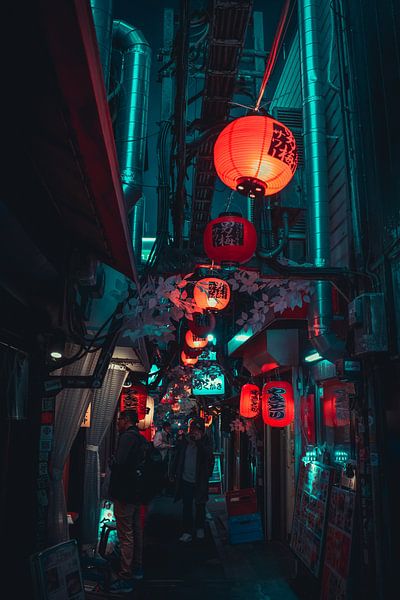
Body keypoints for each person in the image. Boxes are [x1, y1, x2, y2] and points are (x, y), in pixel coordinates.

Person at [108, 409, 148, 593]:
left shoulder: (126, 437)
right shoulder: (140, 438)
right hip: (137, 490)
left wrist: (111, 463)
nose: (117, 423)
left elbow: (120, 462)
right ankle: (137, 567)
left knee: (126, 534)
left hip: (125, 491)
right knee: (135, 530)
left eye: (119, 419)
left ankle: (126, 575)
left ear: (126, 420)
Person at [170, 417, 215, 543]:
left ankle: (200, 528)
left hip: (200, 480)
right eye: (193, 430)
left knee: (200, 505)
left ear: (202, 432)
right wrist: (172, 472)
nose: (195, 433)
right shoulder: (184, 441)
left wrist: (199, 443)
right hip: (186, 479)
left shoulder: (206, 442)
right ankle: (187, 531)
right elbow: (177, 457)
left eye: (198, 430)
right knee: (187, 506)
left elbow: (208, 456)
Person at [153, 421, 174, 494]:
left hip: (167, 457)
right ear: (166, 428)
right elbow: (156, 445)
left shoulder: (169, 435)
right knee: (162, 473)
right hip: (161, 457)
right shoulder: (159, 434)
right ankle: (161, 490)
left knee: (166, 473)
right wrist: (168, 446)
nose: (170, 429)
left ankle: (165, 490)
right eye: (169, 427)